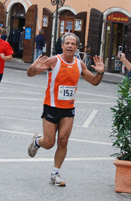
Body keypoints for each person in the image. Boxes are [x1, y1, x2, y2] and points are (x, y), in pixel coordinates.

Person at [26, 33, 105, 186]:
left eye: (73, 44)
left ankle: (55, 173)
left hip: (68, 109)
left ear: (76, 47)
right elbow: (31, 74)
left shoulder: (79, 64)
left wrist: (100, 72)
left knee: (63, 141)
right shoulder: (54, 61)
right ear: (62, 46)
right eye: (67, 43)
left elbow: (95, 82)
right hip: (51, 106)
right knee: (49, 143)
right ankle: (37, 141)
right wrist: (32, 68)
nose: (69, 46)